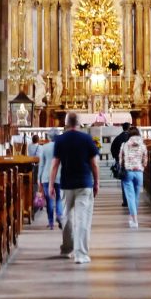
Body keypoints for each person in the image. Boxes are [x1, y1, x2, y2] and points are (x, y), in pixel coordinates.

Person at [49, 112, 100, 264]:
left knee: (67, 217)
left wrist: (51, 184)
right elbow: (94, 164)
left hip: (66, 183)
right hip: (84, 183)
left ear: (66, 122)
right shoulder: (86, 139)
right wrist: (96, 182)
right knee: (82, 219)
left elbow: (55, 164)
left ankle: (67, 249)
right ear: (79, 123)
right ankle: (81, 254)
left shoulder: (60, 139)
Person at [118, 125, 149, 228]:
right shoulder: (143, 146)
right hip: (139, 172)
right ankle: (132, 217)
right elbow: (145, 161)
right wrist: (142, 166)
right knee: (136, 196)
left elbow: (121, 160)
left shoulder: (124, 145)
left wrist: (122, 167)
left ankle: (134, 219)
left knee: (130, 197)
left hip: (128, 172)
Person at [37, 132, 64, 229]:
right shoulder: (62, 146)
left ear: (49, 137)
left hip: (46, 176)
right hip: (59, 175)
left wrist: (38, 177)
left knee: (49, 200)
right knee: (59, 198)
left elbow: (41, 164)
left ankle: (51, 222)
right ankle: (59, 215)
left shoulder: (44, 147)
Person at [109, 121, 131, 208]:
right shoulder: (131, 137)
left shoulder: (118, 137)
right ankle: (131, 200)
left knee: (124, 181)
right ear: (129, 128)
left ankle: (125, 201)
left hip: (121, 162)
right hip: (131, 162)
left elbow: (112, 148)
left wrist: (116, 158)